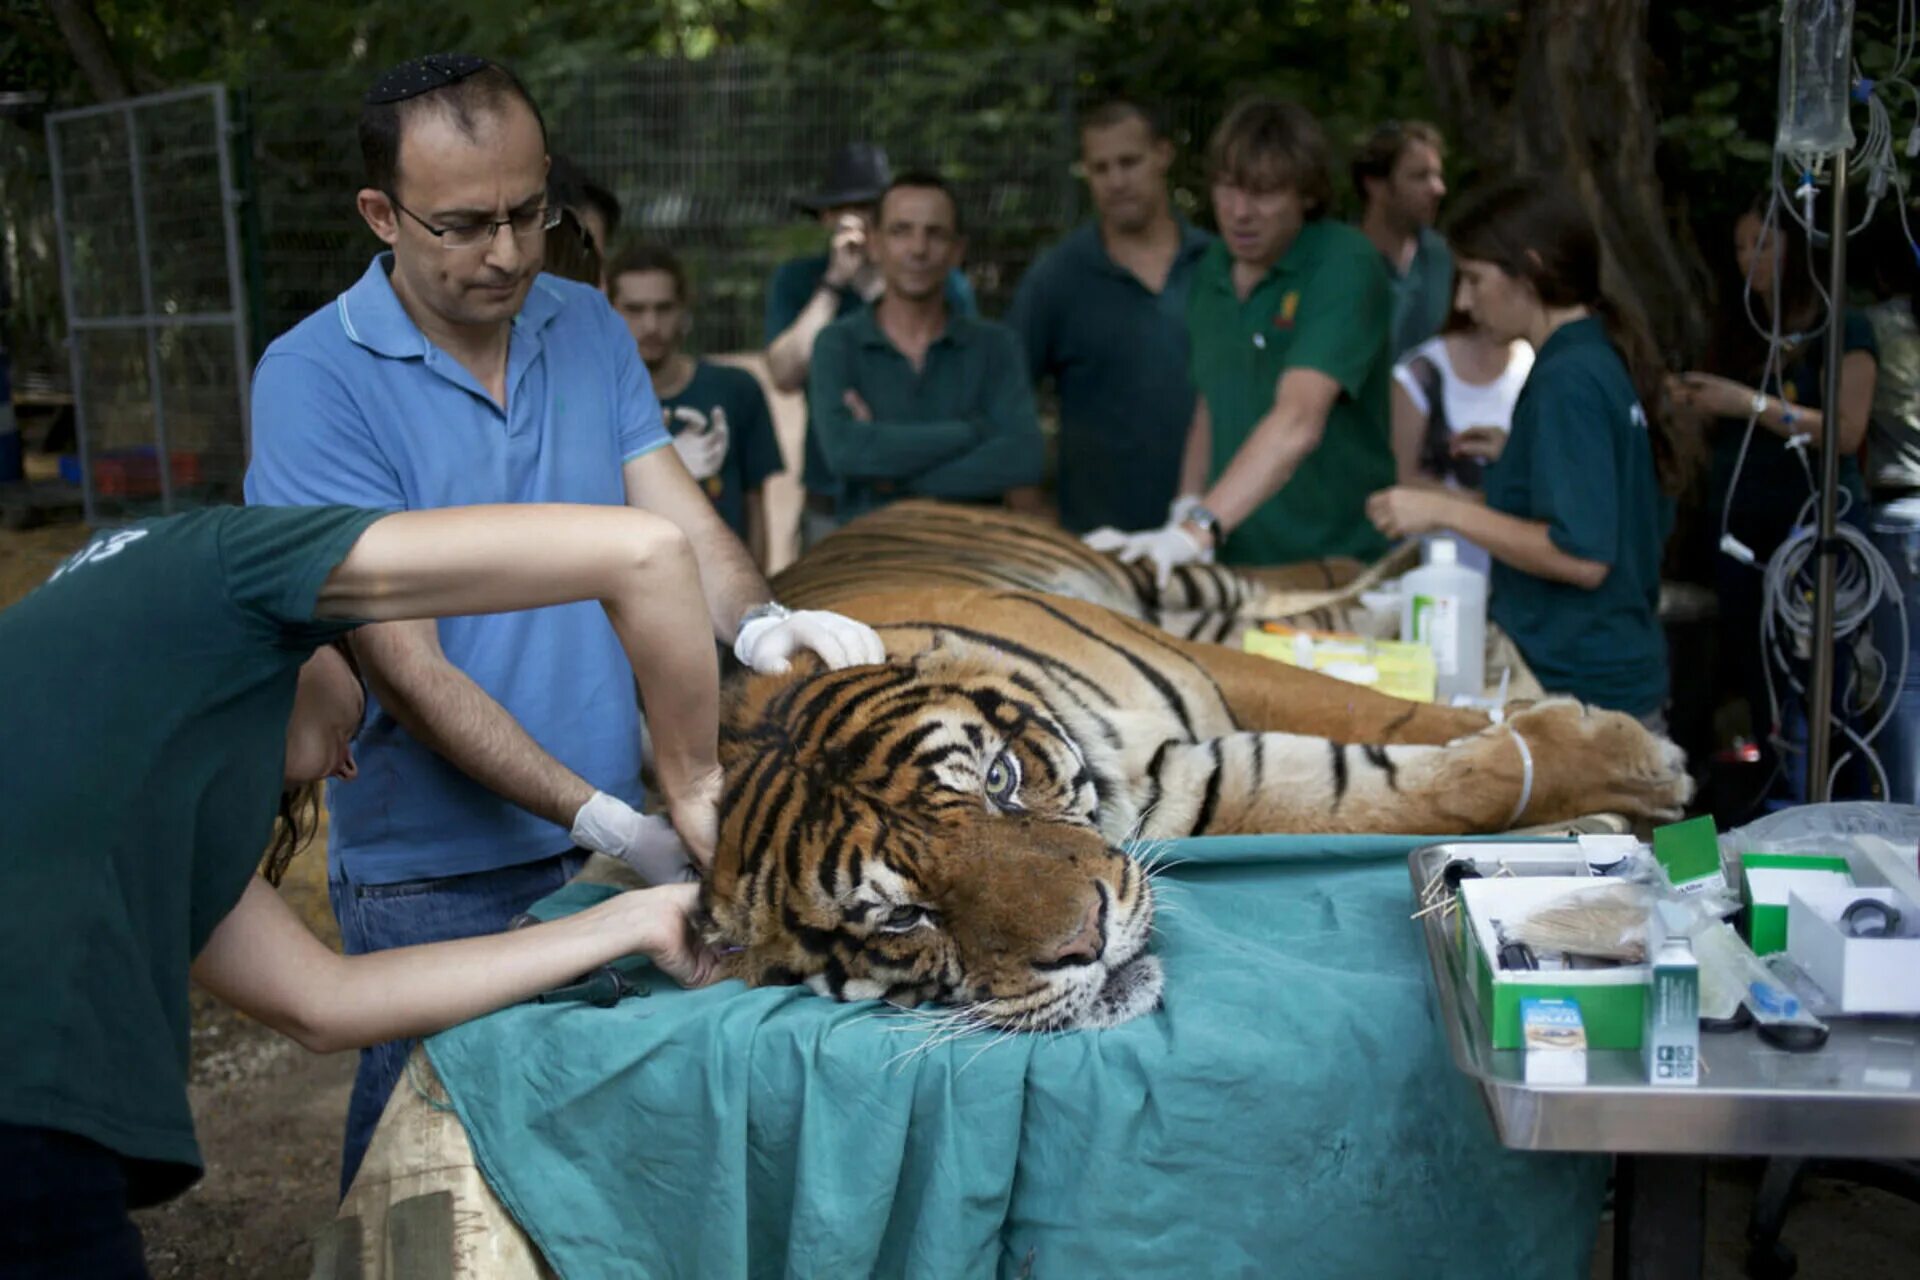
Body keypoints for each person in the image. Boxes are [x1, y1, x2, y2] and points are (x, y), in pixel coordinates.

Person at [242, 54, 882, 1194]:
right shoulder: (310, 380)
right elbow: (403, 665)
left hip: (609, 833)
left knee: (599, 1149)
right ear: (381, 215)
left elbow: (672, 519)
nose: (509, 253)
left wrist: (767, 626)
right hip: (433, 865)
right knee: (427, 1152)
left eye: (530, 212)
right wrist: (600, 812)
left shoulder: (584, 322)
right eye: (465, 223)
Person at [0, 501, 728, 1275]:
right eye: (375, 714)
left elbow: (324, 1002)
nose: (346, 769)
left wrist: (634, 921)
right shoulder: (222, 563)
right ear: (343, 634)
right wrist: (696, 783)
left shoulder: (118, 735)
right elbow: (644, 550)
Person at [1365, 181, 1696, 726]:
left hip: (1583, 690)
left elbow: (1584, 557)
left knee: (1638, 816)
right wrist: (1520, 455)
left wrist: (1443, 510)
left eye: (1473, 279)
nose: (1464, 303)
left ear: (1532, 268)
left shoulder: (1567, 380)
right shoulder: (1592, 354)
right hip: (1615, 676)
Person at [1087, 98, 1395, 579]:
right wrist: (1186, 506)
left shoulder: (1343, 261)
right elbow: (1212, 400)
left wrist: (1196, 530)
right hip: (1232, 564)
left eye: (1265, 192)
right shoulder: (1213, 269)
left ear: (1307, 194)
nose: (1239, 212)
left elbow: (1298, 419)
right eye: (1228, 188)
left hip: (1335, 566)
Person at [1667, 195, 1879, 798]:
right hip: (1742, 536)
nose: (1748, 261)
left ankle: (1843, 801)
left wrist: (1748, 404)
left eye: (1762, 245)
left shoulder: (1843, 325)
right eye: (1739, 248)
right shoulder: (1740, 330)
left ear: (1795, 247)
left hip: (1816, 533)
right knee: (1759, 677)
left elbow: (1848, 429)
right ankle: (1776, 797)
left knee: (1823, 684)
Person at [1007, 99, 1213, 534]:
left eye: (1129, 162)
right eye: (1100, 169)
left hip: (1219, 532)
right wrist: (1033, 513)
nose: (1116, 181)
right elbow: (1005, 396)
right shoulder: (1056, 278)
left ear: (1163, 154)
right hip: (1101, 544)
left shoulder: (1217, 265)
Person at [761, 144, 978, 546]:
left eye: (873, 206)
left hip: (930, 497)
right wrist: (834, 282)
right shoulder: (798, 280)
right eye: (850, 208)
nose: (863, 219)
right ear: (827, 217)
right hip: (832, 498)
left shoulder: (944, 285)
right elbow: (784, 374)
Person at [806, 171, 1043, 523]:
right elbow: (844, 453)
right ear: (874, 244)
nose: (918, 249)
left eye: (935, 234)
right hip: (867, 557)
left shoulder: (996, 346)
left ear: (957, 250)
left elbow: (1022, 460)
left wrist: (888, 478)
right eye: (901, 231)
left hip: (975, 552)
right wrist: (974, 432)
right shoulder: (837, 344)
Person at [608, 241, 784, 567]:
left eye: (663, 308)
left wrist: (761, 599)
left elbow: (755, 505)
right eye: (634, 309)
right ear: (609, 312)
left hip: (724, 585)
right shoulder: (593, 401)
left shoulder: (736, 389)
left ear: (683, 310)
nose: (651, 325)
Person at [1389, 304, 1534, 574]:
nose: (1466, 300)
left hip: (1512, 564)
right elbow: (1402, 477)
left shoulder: (1535, 368)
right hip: (1436, 562)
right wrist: (1476, 507)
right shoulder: (1421, 373)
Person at [1353, 121, 1452, 360]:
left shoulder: (1445, 258)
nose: (1438, 189)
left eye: (1438, 176)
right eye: (1420, 177)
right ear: (1375, 185)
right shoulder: (1339, 261)